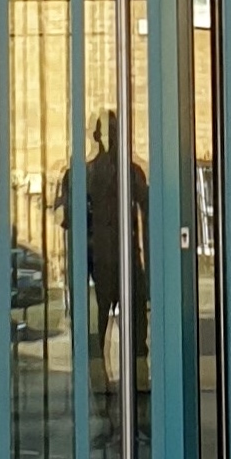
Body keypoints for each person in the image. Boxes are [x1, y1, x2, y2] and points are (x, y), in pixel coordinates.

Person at [83, 111, 149, 378]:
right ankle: (100, 384)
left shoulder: (132, 172)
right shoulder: (86, 173)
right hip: (100, 263)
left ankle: (138, 382)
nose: (111, 138)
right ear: (97, 136)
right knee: (97, 332)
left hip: (126, 261)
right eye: (107, 132)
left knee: (135, 329)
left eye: (114, 131)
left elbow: (148, 212)